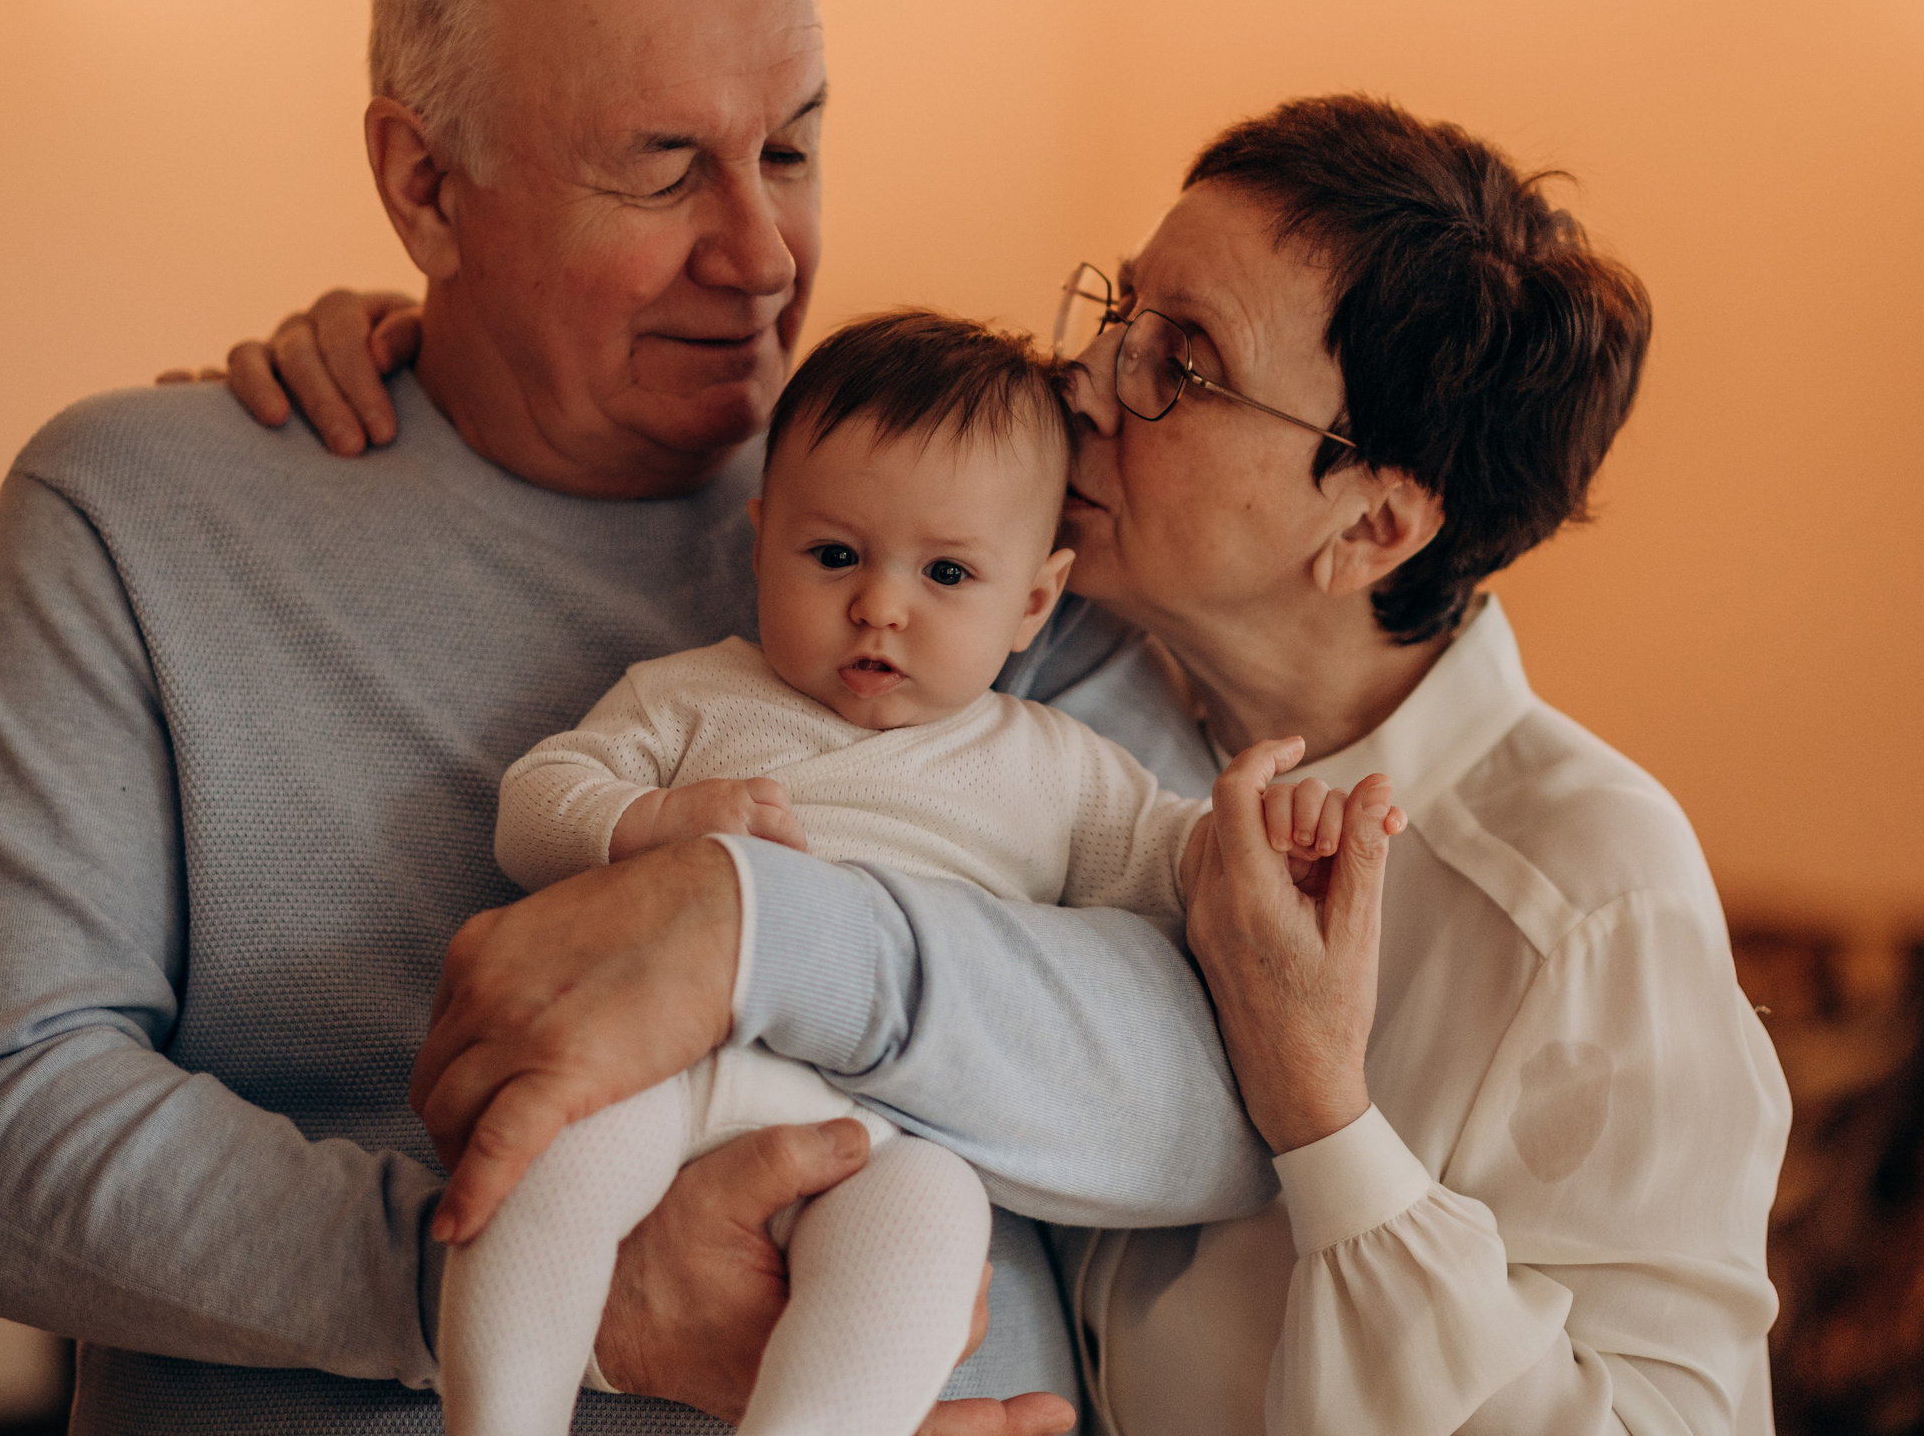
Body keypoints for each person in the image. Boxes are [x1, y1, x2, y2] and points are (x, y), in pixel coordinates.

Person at [0, 0, 1280, 1436]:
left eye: (794, 152)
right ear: (423, 184)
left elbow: (1222, 1099)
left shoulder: (974, 536)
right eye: (665, 166)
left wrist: (758, 932)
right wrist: (532, 1289)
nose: (762, 257)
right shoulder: (140, 515)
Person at [230, 95, 1793, 1433]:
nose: (1086, 379)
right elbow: (836, 459)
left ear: (1374, 520)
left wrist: (1329, 1120)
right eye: (1121, 308)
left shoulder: (1589, 889)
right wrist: (439, 356)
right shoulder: (1041, 656)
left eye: (1181, 362)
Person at [445, 310, 1397, 1436]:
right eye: (834, 554)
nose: (881, 604)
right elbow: (534, 802)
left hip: (893, 1132)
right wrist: (648, 822)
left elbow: (1177, 873)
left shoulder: (1054, 764)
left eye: (947, 572)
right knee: (550, 1162)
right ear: (761, 540)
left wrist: (1258, 840)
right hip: (667, 1066)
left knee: (933, 1237)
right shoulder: (695, 694)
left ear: (1032, 601)